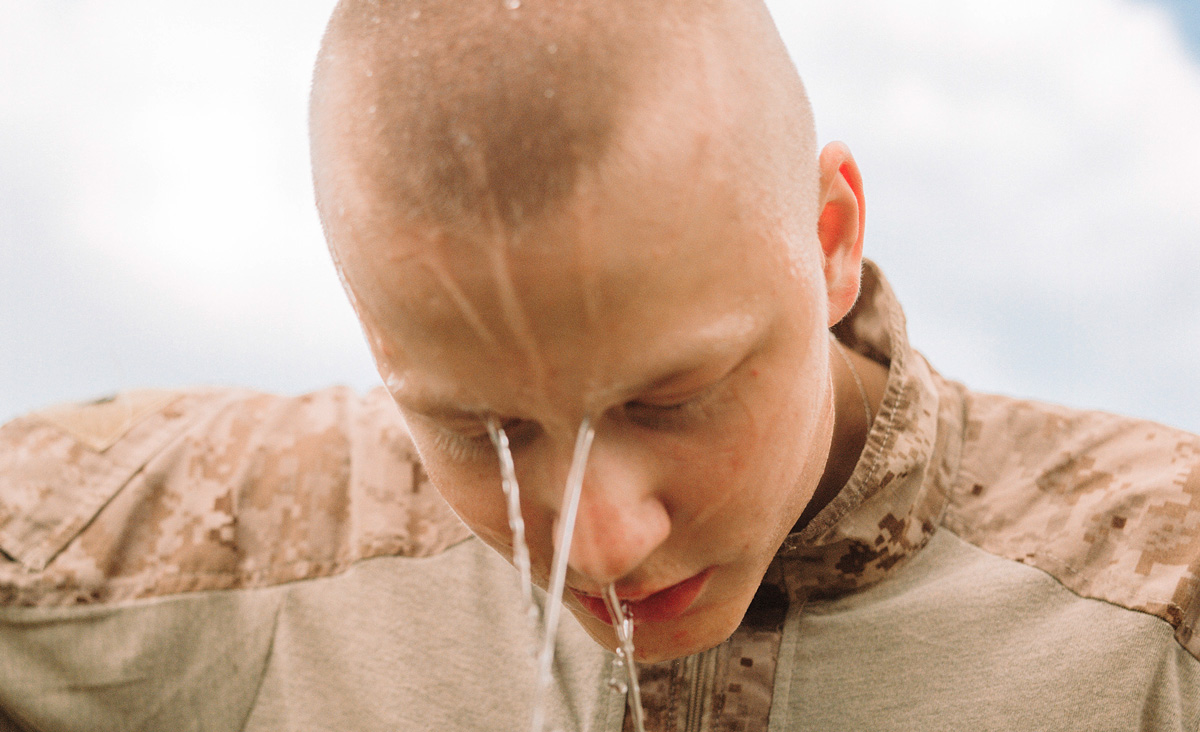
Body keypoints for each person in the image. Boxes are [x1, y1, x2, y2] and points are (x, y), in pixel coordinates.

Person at [1, 0, 1197, 730]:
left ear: (830, 241)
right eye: (485, 428)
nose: (603, 541)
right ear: (382, 342)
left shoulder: (1163, 607)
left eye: (667, 398)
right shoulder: (206, 547)